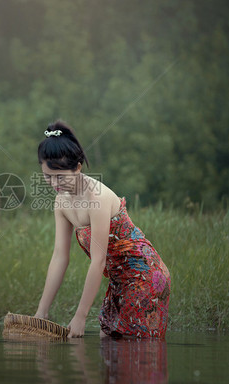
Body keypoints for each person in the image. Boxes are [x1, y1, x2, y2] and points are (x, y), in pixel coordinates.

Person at [34, 120, 171, 338]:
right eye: (47, 177)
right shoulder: (61, 202)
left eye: (59, 176)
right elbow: (60, 257)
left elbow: (98, 260)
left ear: (77, 168)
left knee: (135, 354)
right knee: (110, 348)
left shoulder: (96, 197)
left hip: (145, 276)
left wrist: (80, 316)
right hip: (118, 281)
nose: (53, 184)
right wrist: (41, 312)